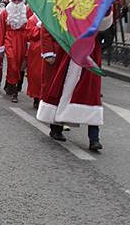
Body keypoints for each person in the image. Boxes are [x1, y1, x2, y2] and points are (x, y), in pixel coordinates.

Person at [37, 10, 111, 152]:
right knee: (61, 90)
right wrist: (48, 51)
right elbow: (48, 24)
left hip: (90, 53)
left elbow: (104, 24)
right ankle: (56, 128)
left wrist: (107, 6)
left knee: (91, 95)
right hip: (67, 52)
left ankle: (94, 138)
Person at [0, 0, 31, 103]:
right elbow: (1, 30)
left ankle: (10, 84)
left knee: (20, 64)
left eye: (19, 0)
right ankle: (14, 90)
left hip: (23, 40)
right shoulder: (5, 13)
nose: (16, 3)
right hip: (9, 39)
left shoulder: (27, 11)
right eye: (14, 0)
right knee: (12, 62)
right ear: (11, 1)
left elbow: (30, 26)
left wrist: (30, 42)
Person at [25, 12, 47, 109]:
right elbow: (30, 35)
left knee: (47, 74)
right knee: (35, 74)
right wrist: (38, 27)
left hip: (48, 48)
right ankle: (36, 97)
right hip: (36, 50)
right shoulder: (32, 19)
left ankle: (45, 97)